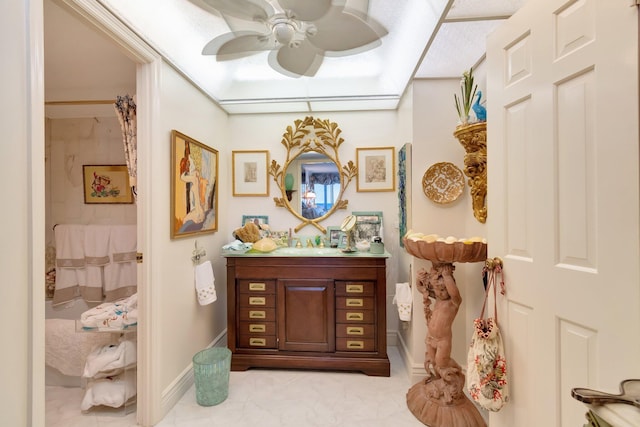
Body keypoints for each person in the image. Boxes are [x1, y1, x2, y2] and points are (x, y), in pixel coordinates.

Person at [417, 263, 462, 379]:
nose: (440, 293)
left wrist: (447, 277)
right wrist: (419, 279)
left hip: (443, 340)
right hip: (430, 336)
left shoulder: (453, 303)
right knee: (433, 361)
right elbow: (421, 289)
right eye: (437, 289)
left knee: (442, 362)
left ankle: (458, 369)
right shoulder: (438, 299)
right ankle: (438, 380)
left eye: (443, 289)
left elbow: (455, 294)